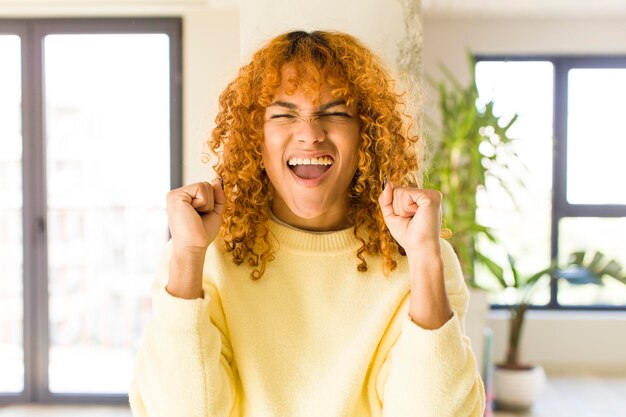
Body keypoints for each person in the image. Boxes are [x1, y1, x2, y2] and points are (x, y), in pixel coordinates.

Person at [129, 30, 485, 417]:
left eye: (335, 112)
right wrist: (188, 254)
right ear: (256, 137)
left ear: (366, 134)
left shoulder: (421, 258)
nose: (311, 134)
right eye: (284, 114)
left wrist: (425, 260)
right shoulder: (201, 253)